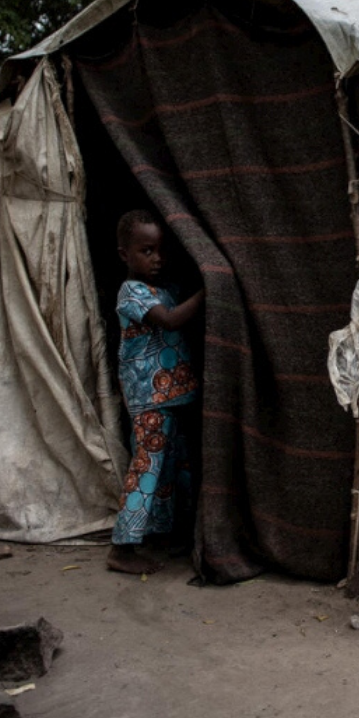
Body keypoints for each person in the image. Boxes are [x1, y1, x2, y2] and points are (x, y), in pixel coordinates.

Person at [108, 209, 205, 575]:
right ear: (124, 255)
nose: (156, 259)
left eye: (160, 251)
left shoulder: (162, 289)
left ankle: (161, 533)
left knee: (172, 469)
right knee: (147, 468)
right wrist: (210, 288)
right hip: (149, 399)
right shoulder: (130, 293)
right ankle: (122, 547)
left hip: (172, 398)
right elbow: (170, 319)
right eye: (146, 251)